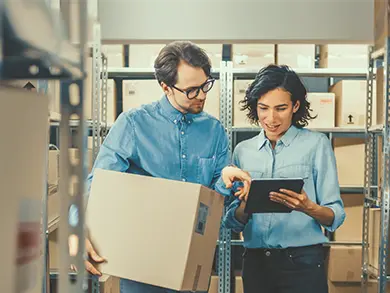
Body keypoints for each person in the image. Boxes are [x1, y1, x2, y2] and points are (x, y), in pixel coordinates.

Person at [74, 41, 251, 293]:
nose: (201, 95)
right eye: (191, 90)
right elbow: (99, 185)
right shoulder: (133, 125)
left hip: (192, 262)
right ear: (165, 87)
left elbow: (214, 205)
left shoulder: (215, 131)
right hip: (142, 265)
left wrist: (224, 180)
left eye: (205, 85)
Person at [221, 65, 346, 293]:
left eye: (281, 108)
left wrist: (308, 207)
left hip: (303, 263)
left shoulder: (317, 145)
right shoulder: (242, 151)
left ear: (295, 106)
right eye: (263, 108)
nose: (271, 118)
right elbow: (232, 222)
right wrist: (245, 206)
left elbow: (335, 217)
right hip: (256, 264)